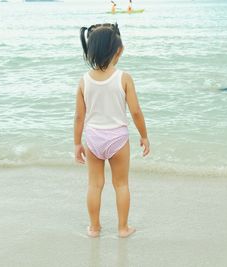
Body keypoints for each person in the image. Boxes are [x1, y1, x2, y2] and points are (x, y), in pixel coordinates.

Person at [75, 23, 150, 238]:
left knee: (94, 185)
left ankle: (94, 228)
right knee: (121, 184)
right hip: (117, 138)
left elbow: (79, 116)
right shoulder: (123, 77)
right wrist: (144, 135)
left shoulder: (84, 80)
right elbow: (135, 112)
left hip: (93, 138)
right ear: (116, 50)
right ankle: (123, 228)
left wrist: (77, 143)